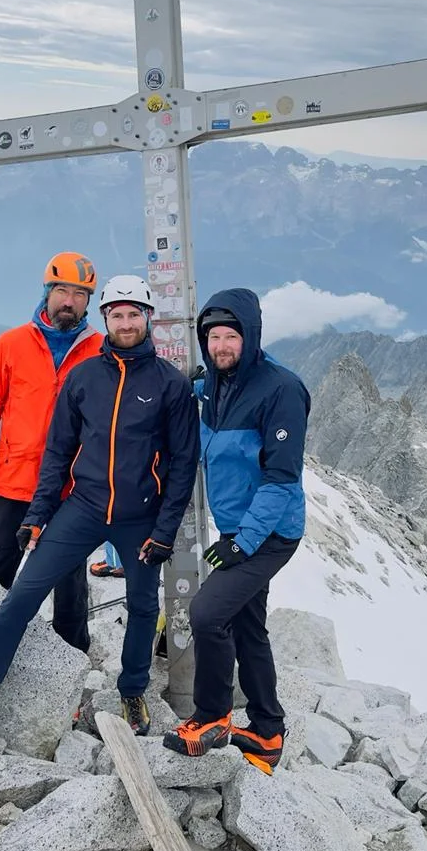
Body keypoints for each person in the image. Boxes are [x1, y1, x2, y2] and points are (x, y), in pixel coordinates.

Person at [0, 275, 199, 750]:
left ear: (148, 319)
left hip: (140, 516)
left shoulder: (170, 386)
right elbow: (58, 452)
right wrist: (38, 514)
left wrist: (164, 529)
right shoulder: (83, 377)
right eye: (117, 315)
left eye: (134, 314)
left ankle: (132, 691)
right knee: (21, 597)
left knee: (142, 606)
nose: (126, 323)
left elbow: (182, 466)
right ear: (106, 320)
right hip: (83, 507)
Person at [162, 288, 310, 773]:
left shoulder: (281, 391)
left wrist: (243, 540)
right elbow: (193, 401)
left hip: (270, 534)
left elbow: (280, 480)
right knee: (248, 627)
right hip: (238, 529)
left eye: (232, 336)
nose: (222, 345)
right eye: (214, 337)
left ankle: (211, 717)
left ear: (251, 337)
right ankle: (267, 732)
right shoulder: (215, 389)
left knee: (207, 614)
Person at [0, 252, 103, 652]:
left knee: (70, 589)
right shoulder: (11, 346)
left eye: (79, 293)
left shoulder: (101, 353)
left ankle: (70, 671)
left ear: (89, 301)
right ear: (46, 292)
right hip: (13, 487)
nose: (68, 301)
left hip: (72, 493)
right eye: (60, 290)